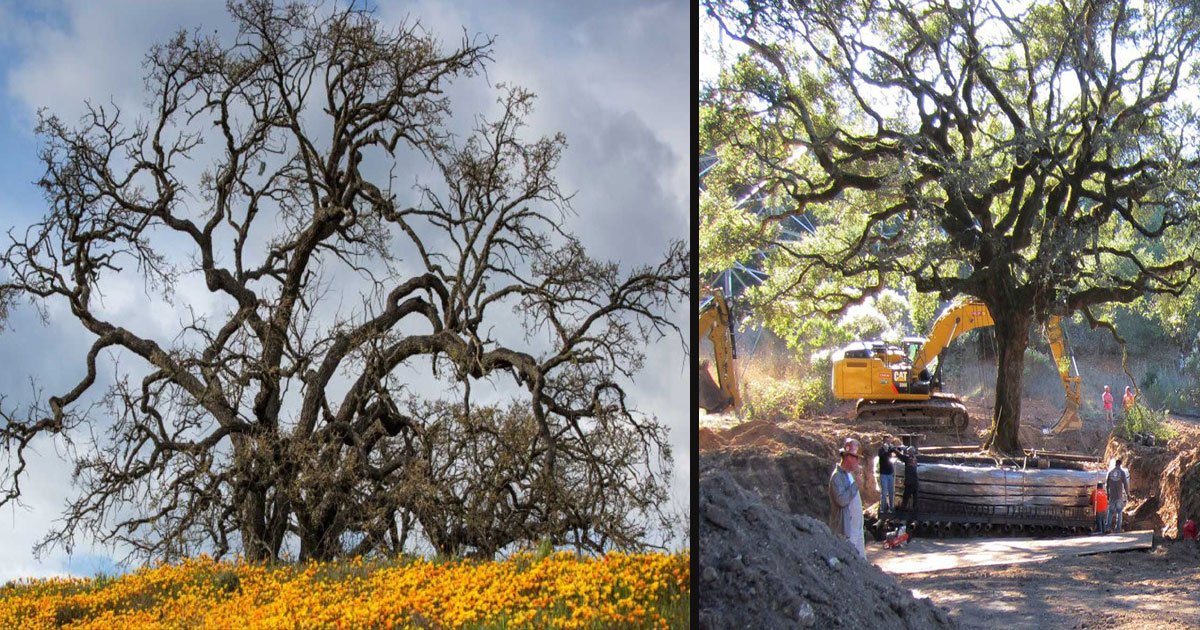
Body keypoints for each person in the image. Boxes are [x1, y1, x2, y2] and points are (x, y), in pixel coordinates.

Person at [828, 438, 866, 558]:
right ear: (848, 457)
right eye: (856, 458)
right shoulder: (837, 477)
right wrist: (856, 485)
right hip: (847, 530)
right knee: (849, 559)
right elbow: (842, 500)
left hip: (857, 529)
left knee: (861, 562)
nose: (858, 461)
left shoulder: (849, 475)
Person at [1106, 458, 1130, 533]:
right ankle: (1118, 529)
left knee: (1110, 512)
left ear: (1115, 464)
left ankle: (1108, 528)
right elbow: (1125, 485)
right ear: (1120, 464)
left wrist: (1108, 494)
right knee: (1119, 513)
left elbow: (1107, 484)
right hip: (1119, 496)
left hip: (1112, 496)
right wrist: (1127, 494)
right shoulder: (1122, 473)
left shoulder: (1110, 472)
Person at [877, 437, 897, 514]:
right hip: (883, 474)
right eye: (886, 441)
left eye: (889, 441)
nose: (888, 442)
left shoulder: (890, 449)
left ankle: (891, 508)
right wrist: (886, 450)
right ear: (883, 442)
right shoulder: (881, 450)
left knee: (891, 492)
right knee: (884, 492)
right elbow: (882, 456)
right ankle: (883, 508)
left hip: (890, 473)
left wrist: (893, 448)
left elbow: (896, 451)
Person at [897, 446, 919, 516]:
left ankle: (900, 515)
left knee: (905, 499)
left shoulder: (907, 458)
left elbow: (899, 456)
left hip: (909, 482)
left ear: (909, 452)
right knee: (915, 499)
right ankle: (914, 514)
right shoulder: (915, 459)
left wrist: (895, 449)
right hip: (915, 482)